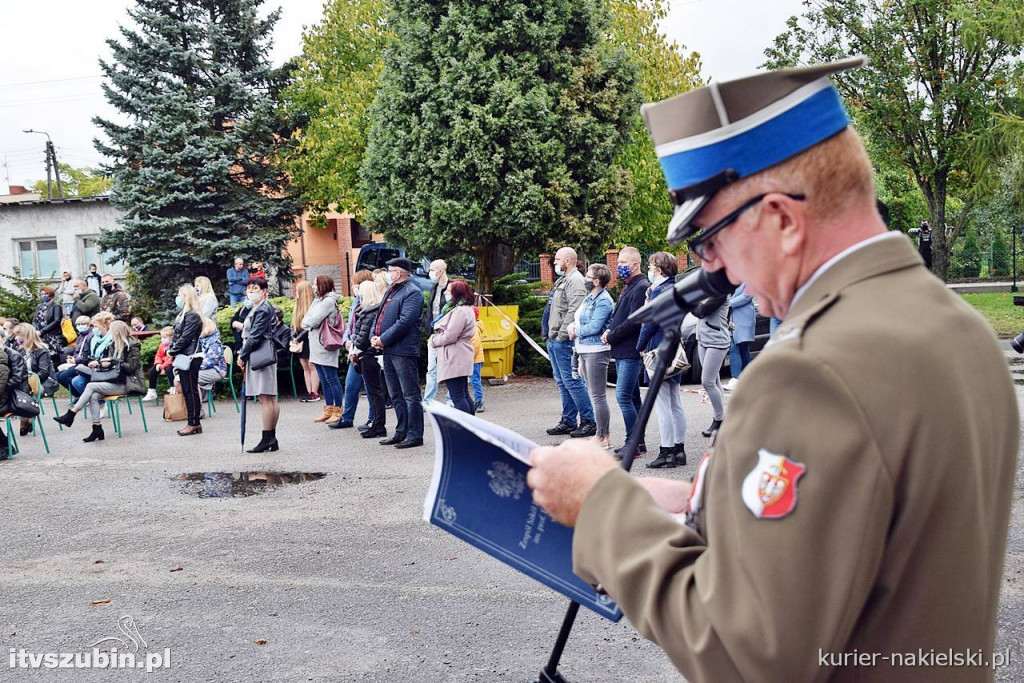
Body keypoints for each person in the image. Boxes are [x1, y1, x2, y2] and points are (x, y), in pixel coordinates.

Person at [527, 58, 1018, 681]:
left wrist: (601, 506)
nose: (714, 270)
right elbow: (872, 529)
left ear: (783, 219)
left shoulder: (810, 369)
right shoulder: (959, 329)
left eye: (710, 240)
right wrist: (699, 501)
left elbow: (746, 652)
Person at [53, 320, 145, 442]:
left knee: (91, 386)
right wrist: (104, 363)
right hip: (114, 380)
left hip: (127, 383)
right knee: (94, 396)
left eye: (112, 331)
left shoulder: (132, 346)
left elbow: (131, 368)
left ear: (117, 332)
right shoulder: (113, 344)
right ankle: (97, 429)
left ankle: (71, 414)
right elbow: (114, 366)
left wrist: (112, 361)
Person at [635, 252, 686, 468]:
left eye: (651, 266)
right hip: (673, 345)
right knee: (675, 402)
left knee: (663, 403)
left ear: (660, 270)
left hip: (658, 348)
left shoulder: (659, 292)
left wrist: (639, 346)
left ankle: (666, 451)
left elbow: (649, 322)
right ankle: (679, 449)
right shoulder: (676, 289)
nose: (650, 269)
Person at [371, 257, 425, 449]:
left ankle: (414, 434)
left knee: (410, 394)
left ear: (400, 272)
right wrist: (374, 336)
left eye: (391, 270)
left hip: (403, 350)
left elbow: (404, 322)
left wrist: (383, 339)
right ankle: (401, 431)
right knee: (395, 394)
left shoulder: (413, 293)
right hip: (389, 349)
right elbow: (379, 316)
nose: (388, 273)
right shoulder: (391, 290)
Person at [601, 246, 649, 458]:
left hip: (629, 350)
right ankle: (639, 441)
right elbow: (622, 316)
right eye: (618, 262)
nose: (618, 266)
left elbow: (634, 321)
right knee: (633, 396)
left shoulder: (640, 287)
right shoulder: (629, 286)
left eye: (622, 263)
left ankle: (632, 443)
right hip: (622, 349)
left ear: (635, 264)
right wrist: (610, 330)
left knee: (623, 397)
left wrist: (612, 335)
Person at [544, 247, 595, 438]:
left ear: (568, 260)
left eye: (557, 260)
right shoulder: (563, 280)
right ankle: (568, 420)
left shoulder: (575, 281)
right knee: (562, 381)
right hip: (554, 338)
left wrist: (561, 334)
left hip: (563, 340)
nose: (555, 263)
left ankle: (589, 421)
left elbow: (575, 309)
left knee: (572, 381)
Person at [568, 263, 614, 449]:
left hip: (596, 351)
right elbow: (580, 319)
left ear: (596, 281)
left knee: (598, 396)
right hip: (584, 349)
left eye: (588, 276)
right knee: (594, 393)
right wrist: (573, 326)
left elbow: (595, 327)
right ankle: (605, 435)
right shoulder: (590, 298)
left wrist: (576, 330)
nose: (585, 278)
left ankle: (602, 435)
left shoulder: (603, 300)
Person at [237, 277, 279, 453]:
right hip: (260, 353)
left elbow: (254, 335)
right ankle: (271, 437)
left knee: (265, 397)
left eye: (255, 288)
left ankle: (267, 437)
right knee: (268, 397)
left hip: (260, 354)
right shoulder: (258, 307)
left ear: (263, 291)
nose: (251, 291)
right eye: (249, 288)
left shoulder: (262, 309)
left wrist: (243, 355)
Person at [690, 256, 730, 437]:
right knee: (714, 381)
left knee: (706, 380)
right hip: (703, 338)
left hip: (717, 340)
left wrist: (689, 301)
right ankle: (723, 417)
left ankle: (719, 420)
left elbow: (701, 311)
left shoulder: (722, 291)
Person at [333, 269, 376, 430]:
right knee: (351, 386)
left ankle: (373, 419)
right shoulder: (355, 302)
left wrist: (355, 345)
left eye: (356, 285)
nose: (354, 288)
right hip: (353, 349)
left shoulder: (369, 304)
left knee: (371, 388)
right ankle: (347, 418)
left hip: (363, 351)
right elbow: (350, 327)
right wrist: (346, 341)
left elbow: (364, 330)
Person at [429, 279, 477, 415]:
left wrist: (433, 340)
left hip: (455, 355)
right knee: (463, 394)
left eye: (449, 291)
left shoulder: (460, 311)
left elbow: (450, 335)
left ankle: (466, 428)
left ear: (456, 293)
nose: (446, 293)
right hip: (459, 354)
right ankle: (471, 427)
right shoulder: (462, 309)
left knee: (458, 396)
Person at [301, 275, 343, 426]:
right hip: (316, 346)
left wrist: (307, 322)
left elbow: (312, 320)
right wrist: (307, 322)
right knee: (324, 379)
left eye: (315, 284)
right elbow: (306, 319)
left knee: (331, 378)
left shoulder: (328, 301)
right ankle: (328, 410)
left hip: (326, 345)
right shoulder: (318, 300)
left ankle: (338, 410)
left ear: (322, 285)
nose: (313, 286)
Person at [349, 279, 387, 438]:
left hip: (368, 355)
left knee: (375, 392)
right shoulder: (369, 310)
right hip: (367, 354)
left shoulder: (370, 312)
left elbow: (363, 336)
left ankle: (378, 425)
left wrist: (354, 350)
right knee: (374, 391)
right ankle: (377, 424)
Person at [167, 284, 205, 436]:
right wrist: (172, 348)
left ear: (187, 297)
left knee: (190, 390)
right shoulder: (184, 314)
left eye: (180, 295)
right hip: (184, 356)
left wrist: (172, 350)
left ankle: (194, 422)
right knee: (188, 390)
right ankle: (193, 422)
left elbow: (186, 337)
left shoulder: (192, 315)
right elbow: (176, 335)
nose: (178, 298)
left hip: (190, 356)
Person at [12, 323, 55, 436]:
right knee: (16, 388)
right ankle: (27, 416)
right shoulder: (18, 351)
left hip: (42, 382)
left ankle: (24, 419)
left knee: (24, 390)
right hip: (24, 384)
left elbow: (44, 373)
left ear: (26, 336)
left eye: (18, 335)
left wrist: (28, 380)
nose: (16, 338)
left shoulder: (41, 351)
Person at [422, 259, 450, 405]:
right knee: (432, 369)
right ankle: (428, 400)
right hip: (433, 334)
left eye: (432, 269)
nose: (430, 272)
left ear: (440, 271)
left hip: (446, 334)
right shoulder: (434, 288)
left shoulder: (451, 287)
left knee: (449, 367)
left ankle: (450, 399)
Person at [290, 280, 320, 403]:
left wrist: (297, 339)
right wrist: (293, 337)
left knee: (312, 366)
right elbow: (294, 326)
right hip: (300, 340)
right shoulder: (298, 307)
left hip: (309, 340)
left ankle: (315, 392)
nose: (295, 294)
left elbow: (309, 327)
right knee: (305, 367)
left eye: (298, 291)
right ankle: (309, 392)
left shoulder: (313, 307)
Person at [56, 315, 95, 400]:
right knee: (58, 375)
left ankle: (82, 396)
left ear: (88, 324)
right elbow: (78, 351)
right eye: (78, 324)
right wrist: (72, 358)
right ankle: (78, 394)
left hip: (84, 364)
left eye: (82, 324)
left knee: (64, 376)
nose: (79, 326)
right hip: (77, 362)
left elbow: (87, 354)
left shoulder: (91, 336)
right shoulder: (81, 336)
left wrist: (75, 360)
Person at [724, 282, 755, 390]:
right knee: (734, 347)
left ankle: (739, 378)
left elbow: (747, 296)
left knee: (742, 347)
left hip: (743, 317)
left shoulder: (748, 278)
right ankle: (742, 378)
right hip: (732, 319)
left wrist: (728, 303)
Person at [32, 285, 66, 363]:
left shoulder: (56, 306)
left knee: (54, 357)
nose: (43, 296)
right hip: (40, 336)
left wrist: (42, 331)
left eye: (45, 294)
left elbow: (56, 321)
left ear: (51, 294)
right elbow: (34, 320)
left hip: (52, 336)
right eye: (42, 294)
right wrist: (36, 330)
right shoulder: (39, 306)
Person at [196, 317, 228, 396]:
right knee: (185, 378)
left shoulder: (214, 343)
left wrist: (194, 366)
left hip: (216, 370)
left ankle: (196, 406)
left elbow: (210, 361)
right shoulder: (203, 341)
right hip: (206, 369)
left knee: (190, 379)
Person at [143, 326, 174, 402]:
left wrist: (163, 367)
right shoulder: (162, 345)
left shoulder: (174, 346)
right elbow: (158, 355)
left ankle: (173, 388)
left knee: (169, 370)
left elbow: (171, 359)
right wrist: (158, 364)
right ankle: (152, 390)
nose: (162, 339)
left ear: (171, 337)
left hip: (171, 364)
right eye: (162, 337)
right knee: (152, 370)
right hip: (162, 364)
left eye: (164, 337)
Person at [469, 308, 485, 413]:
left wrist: (469, 357)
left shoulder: (473, 328)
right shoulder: (476, 327)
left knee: (475, 380)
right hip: (476, 358)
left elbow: (475, 344)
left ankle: (479, 401)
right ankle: (478, 400)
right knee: (475, 380)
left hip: (474, 359)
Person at [0, 346, 14, 458]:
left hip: (3, 401)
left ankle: (4, 447)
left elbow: (1, 388)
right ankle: (5, 445)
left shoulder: (2, 367)